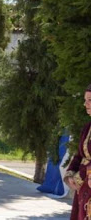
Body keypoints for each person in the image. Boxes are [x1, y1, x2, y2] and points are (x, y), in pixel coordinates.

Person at [64, 84, 91, 219]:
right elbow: (80, 155)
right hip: (84, 188)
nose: (85, 104)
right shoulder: (87, 128)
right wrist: (70, 174)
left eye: (90, 100)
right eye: (85, 100)